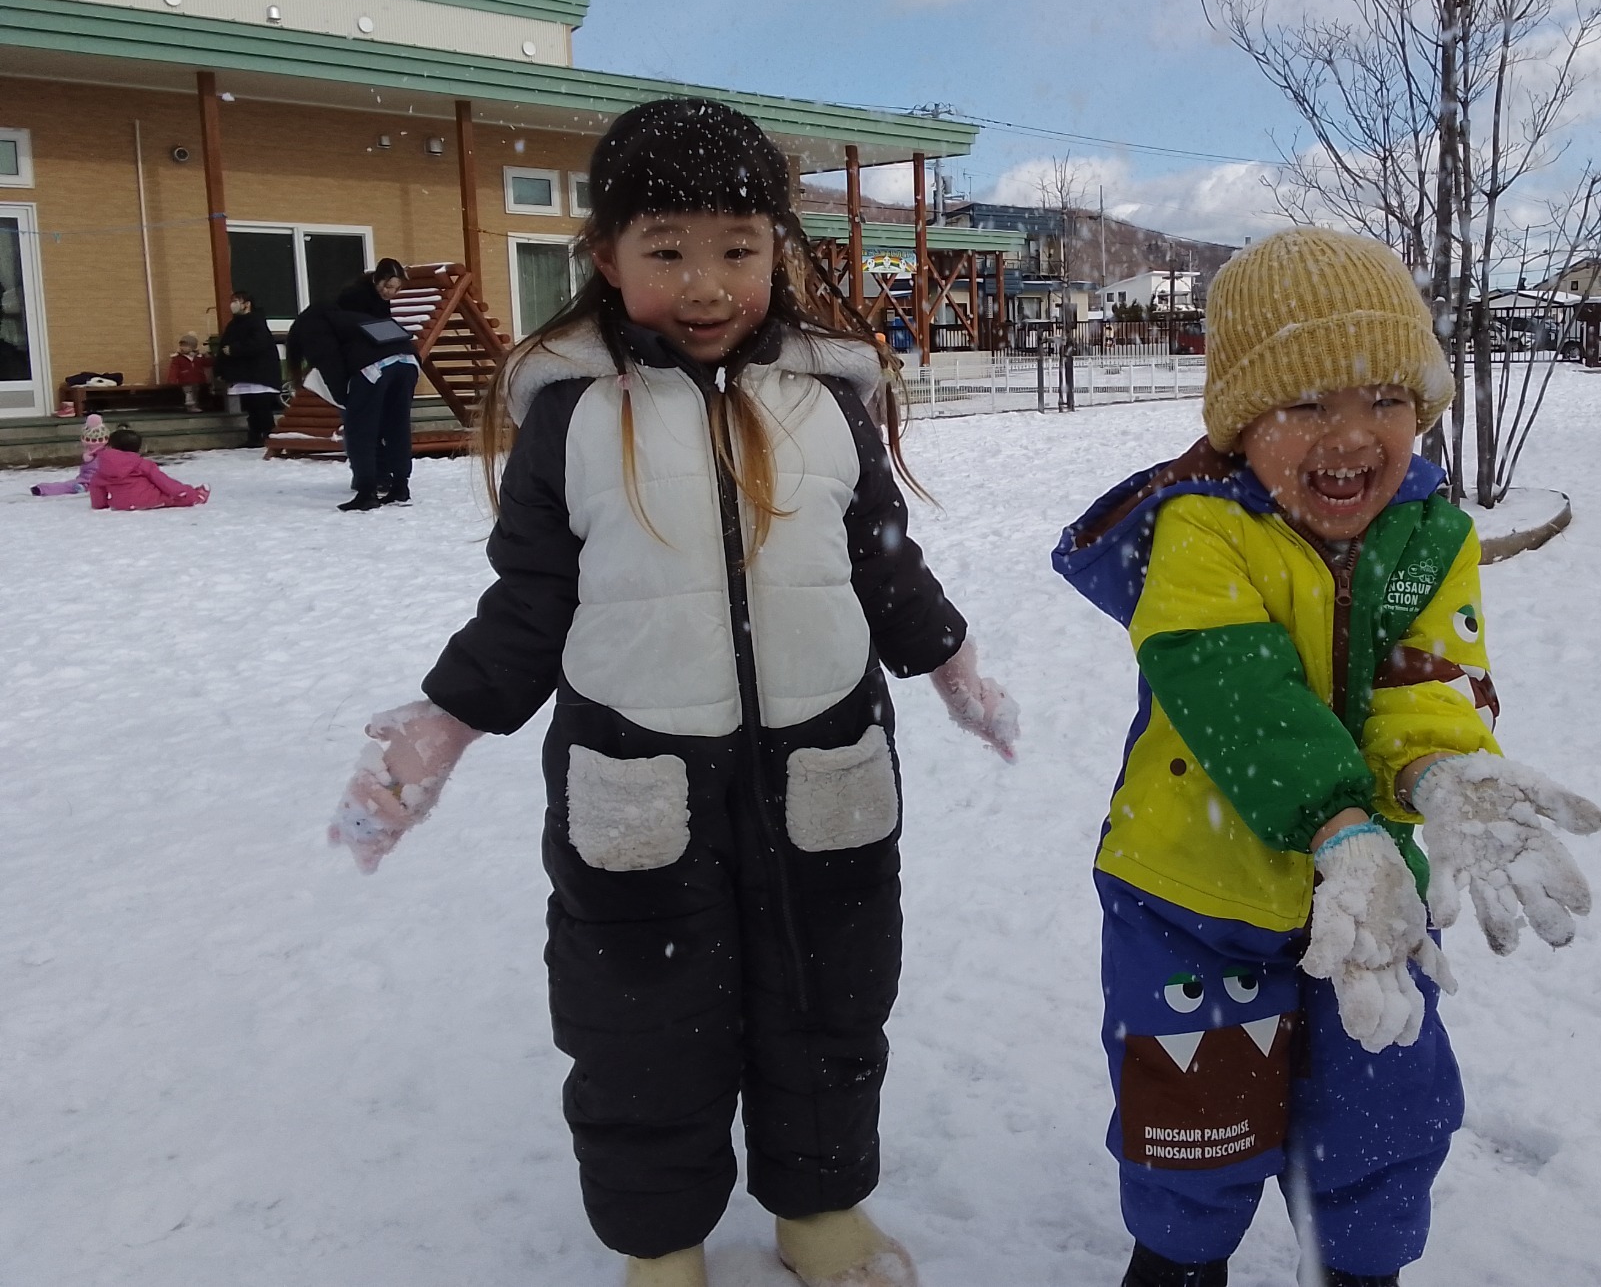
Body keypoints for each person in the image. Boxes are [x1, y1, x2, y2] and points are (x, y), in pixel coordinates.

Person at [324, 99, 1021, 1287]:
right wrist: (440, 726)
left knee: (829, 999)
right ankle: (661, 1243)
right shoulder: (574, 418)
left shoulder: (826, 401)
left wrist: (948, 661)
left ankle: (819, 1211)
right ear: (605, 259)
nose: (704, 285)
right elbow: (530, 599)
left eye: (737, 251)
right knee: (637, 1025)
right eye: (665, 251)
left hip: (827, 767)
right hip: (634, 776)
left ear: (777, 253)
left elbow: (882, 559)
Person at [1051, 229, 1601, 1287]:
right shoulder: (1199, 532)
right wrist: (1333, 818)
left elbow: (1426, 683)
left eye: (1385, 399)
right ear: (1238, 421)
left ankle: (1359, 1273)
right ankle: (1174, 1268)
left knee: (1379, 1117)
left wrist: (1440, 774)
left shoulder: (1426, 535)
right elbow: (1233, 694)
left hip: (1373, 907)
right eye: (1305, 403)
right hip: (1193, 896)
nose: (1350, 436)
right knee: (1193, 1127)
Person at [287, 258, 420, 510]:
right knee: (397, 425)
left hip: (374, 365)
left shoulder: (312, 325)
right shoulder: (352, 314)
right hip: (408, 359)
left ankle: (367, 493)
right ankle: (400, 487)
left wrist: (346, 398)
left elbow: (330, 362)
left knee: (360, 430)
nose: (390, 293)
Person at [214, 290, 285, 448]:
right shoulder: (234, 324)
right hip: (245, 374)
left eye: (237, 300)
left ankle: (269, 435)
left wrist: (235, 349)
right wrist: (220, 370)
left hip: (259, 374)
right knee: (251, 408)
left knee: (261, 407)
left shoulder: (256, 322)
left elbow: (258, 343)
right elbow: (223, 347)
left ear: (247, 304)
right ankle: (254, 437)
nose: (233, 304)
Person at [90, 425, 209, 510]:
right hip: (149, 499)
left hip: (121, 503)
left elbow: (96, 487)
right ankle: (197, 496)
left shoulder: (103, 468)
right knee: (174, 498)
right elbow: (163, 481)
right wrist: (181, 491)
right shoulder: (141, 463)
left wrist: (100, 505)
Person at [31, 413, 109, 495]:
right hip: (97, 479)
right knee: (75, 484)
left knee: (68, 486)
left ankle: (43, 489)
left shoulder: (90, 454)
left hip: (91, 479)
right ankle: (44, 489)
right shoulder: (106, 452)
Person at [165, 332, 212, 410]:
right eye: (181, 345)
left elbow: (207, 363)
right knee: (188, 392)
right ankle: (190, 405)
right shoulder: (178, 358)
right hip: (185, 379)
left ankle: (195, 405)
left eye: (185, 346)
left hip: (197, 378)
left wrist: (209, 358)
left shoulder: (199, 357)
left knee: (196, 392)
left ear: (192, 347)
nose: (182, 347)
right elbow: (174, 369)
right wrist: (172, 379)